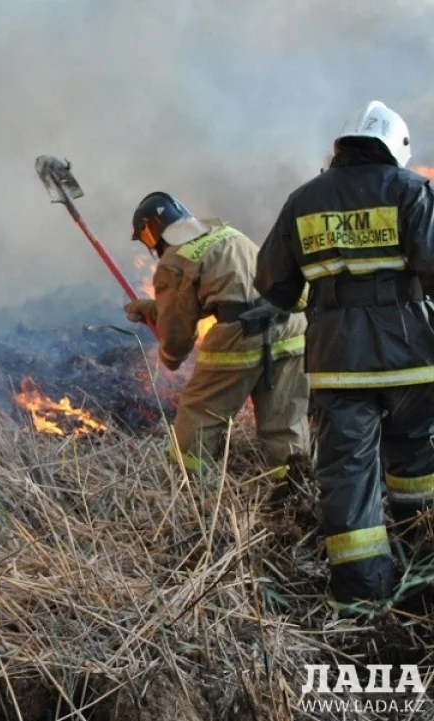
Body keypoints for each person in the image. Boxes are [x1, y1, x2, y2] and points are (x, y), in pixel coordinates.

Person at [255, 100, 434, 611]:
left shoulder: (303, 200)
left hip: (336, 364)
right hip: (413, 361)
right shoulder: (412, 191)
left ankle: (361, 602)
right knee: (418, 466)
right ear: (395, 147)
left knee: (348, 477)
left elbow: (274, 287)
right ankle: (422, 574)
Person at [124, 192, 310, 480]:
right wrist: (153, 308)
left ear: (152, 236)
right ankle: (295, 489)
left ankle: (188, 488)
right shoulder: (226, 232)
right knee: (285, 420)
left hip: (242, 336)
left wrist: (170, 358)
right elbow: (232, 290)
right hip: (290, 327)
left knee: (199, 412)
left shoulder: (173, 260)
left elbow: (178, 333)